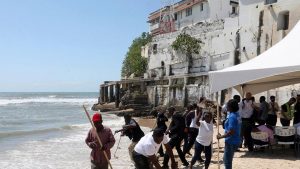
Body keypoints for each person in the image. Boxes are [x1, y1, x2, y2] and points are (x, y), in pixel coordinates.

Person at [217, 99, 241, 169]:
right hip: (235, 140)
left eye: (227, 105)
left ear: (231, 107)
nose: (226, 107)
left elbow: (231, 132)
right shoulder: (237, 114)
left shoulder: (232, 116)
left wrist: (220, 137)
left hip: (231, 141)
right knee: (226, 159)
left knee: (227, 162)